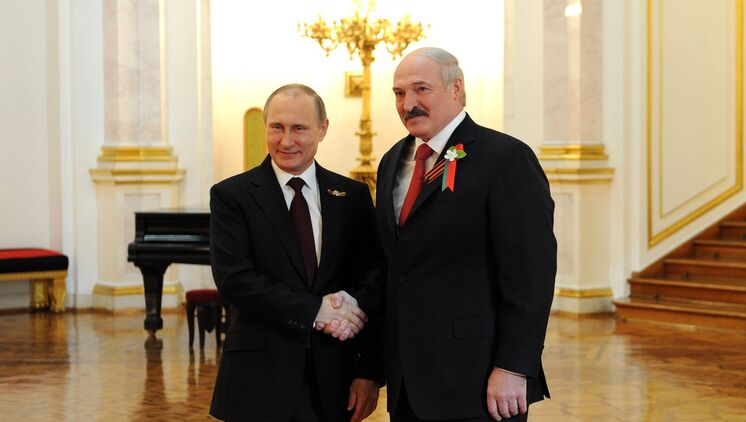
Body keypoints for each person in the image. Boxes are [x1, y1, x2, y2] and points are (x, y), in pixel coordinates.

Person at [375, 47, 557, 421]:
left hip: (479, 380)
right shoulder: (392, 161)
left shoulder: (505, 158)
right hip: (408, 383)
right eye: (399, 93)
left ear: (456, 88)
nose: (408, 104)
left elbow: (530, 275)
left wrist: (514, 367)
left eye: (421, 89)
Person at [209, 83, 383, 422]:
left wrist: (369, 372)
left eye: (299, 128)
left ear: (322, 129)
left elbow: (375, 275)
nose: (286, 141)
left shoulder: (352, 196)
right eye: (277, 127)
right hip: (258, 380)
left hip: (335, 379)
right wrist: (315, 310)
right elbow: (235, 281)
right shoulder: (232, 196)